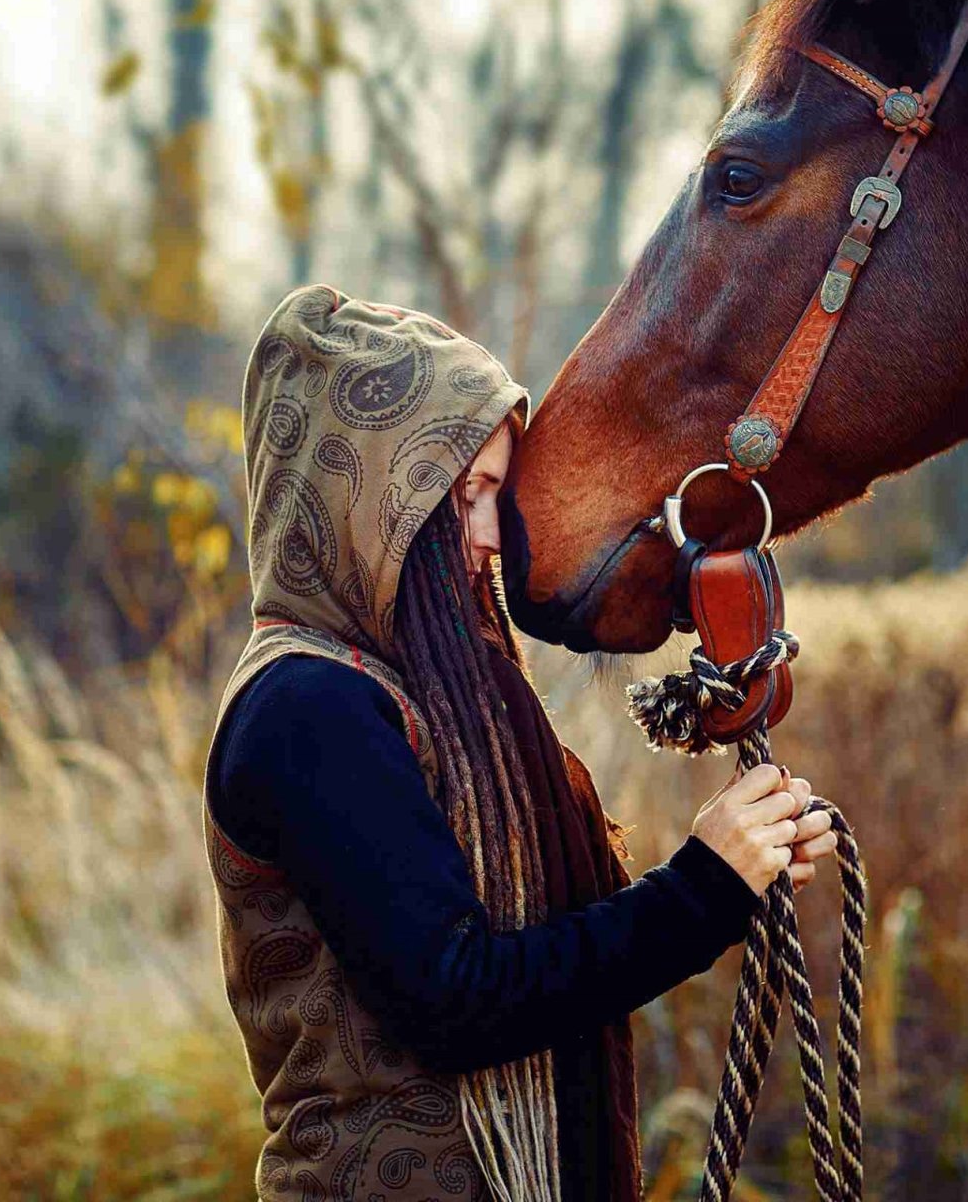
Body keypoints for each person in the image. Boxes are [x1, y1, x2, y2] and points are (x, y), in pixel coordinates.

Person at [204, 285, 837, 1201]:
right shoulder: (309, 710)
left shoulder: (384, 689)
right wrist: (702, 890)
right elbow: (458, 1000)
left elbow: (531, 945)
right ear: (374, 502)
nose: (495, 539)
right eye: (471, 498)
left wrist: (743, 870)